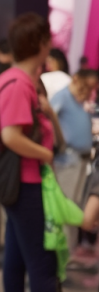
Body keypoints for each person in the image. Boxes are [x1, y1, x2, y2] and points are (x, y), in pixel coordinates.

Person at [0, 12, 99, 292]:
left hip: (15, 184)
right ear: (39, 44)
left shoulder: (5, 82)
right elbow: (11, 137)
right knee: (42, 261)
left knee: (19, 257)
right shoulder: (20, 85)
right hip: (28, 183)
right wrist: (46, 153)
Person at [50, 69, 97, 203]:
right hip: (67, 160)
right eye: (87, 86)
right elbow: (48, 122)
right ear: (76, 79)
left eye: (92, 88)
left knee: (76, 202)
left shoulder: (82, 101)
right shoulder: (62, 97)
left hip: (82, 160)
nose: (89, 91)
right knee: (65, 202)